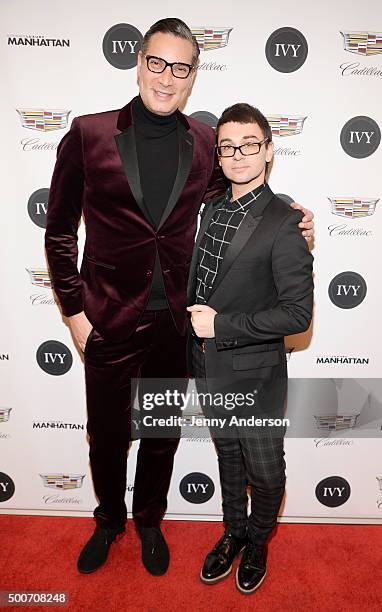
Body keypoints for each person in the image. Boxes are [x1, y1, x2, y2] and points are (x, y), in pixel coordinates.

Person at [45, 18, 314, 576]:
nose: (167, 78)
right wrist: (73, 311)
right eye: (158, 63)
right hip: (106, 318)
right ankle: (108, 520)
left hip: (177, 324)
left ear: (193, 75)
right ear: (139, 63)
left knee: (162, 433)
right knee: (108, 434)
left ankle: (148, 521)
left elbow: (245, 193)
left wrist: (294, 215)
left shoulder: (202, 142)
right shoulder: (89, 134)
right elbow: (60, 231)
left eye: (181, 68)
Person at [187, 103, 314, 594]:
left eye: (249, 145)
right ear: (218, 156)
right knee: (227, 457)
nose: (238, 155)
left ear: (268, 151)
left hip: (256, 369)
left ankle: (259, 540)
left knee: (264, 469)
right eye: (228, 147)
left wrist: (222, 325)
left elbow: (297, 316)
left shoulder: (284, 221)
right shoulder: (211, 207)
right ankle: (232, 533)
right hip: (204, 363)